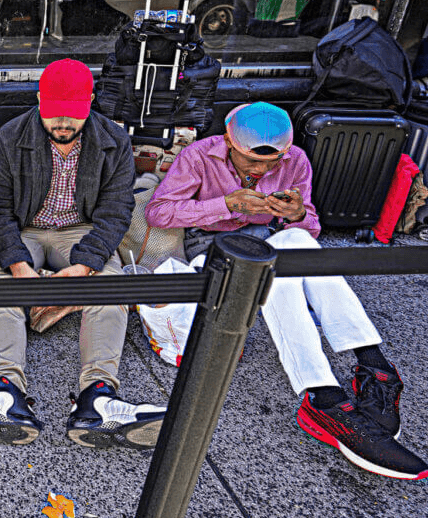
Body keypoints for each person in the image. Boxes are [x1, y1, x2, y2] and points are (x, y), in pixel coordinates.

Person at [145, 102, 427, 481]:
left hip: (271, 238)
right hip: (212, 248)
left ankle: (370, 365)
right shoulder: (200, 155)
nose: (262, 170)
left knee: (292, 240)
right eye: (251, 160)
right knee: (269, 266)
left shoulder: (295, 160)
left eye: (272, 162)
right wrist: (225, 204)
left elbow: (309, 228)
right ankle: (323, 395)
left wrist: (295, 214)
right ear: (229, 141)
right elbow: (158, 213)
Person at [0, 59, 167, 448]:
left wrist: (84, 266)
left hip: (79, 229)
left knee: (109, 287)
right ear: (40, 100)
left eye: (72, 116)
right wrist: (19, 267)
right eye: (54, 115)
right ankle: (5, 389)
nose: (62, 124)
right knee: (3, 287)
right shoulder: (11, 137)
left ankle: (98, 396)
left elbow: (115, 212)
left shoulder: (113, 141)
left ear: (91, 103)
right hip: (24, 228)